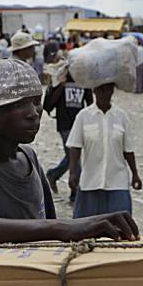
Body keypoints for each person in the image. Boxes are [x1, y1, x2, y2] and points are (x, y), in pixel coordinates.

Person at [0, 59, 139, 245]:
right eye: (19, 104)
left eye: (36, 102)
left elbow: (48, 224)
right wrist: (62, 228)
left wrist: (85, 225)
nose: (33, 113)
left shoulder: (28, 158)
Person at [68, 82, 142, 218]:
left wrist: (135, 174)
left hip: (117, 182)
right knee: (84, 229)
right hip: (90, 182)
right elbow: (75, 147)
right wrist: (72, 172)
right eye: (100, 89)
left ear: (113, 91)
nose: (104, 93)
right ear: (94, 90)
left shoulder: (122, 117)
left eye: (108, 89)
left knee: (122, 228)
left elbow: (128, 150)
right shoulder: (83, 117)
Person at [44, 73, 92, 202]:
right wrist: (61, 86)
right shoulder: (58, 80)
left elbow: (91, 103)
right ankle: (77, 192)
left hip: (79, 124)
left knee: (72, 156)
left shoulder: (84, 81)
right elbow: (48, 105)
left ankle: (54, 174)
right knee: (73, 157)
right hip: (65, 125)